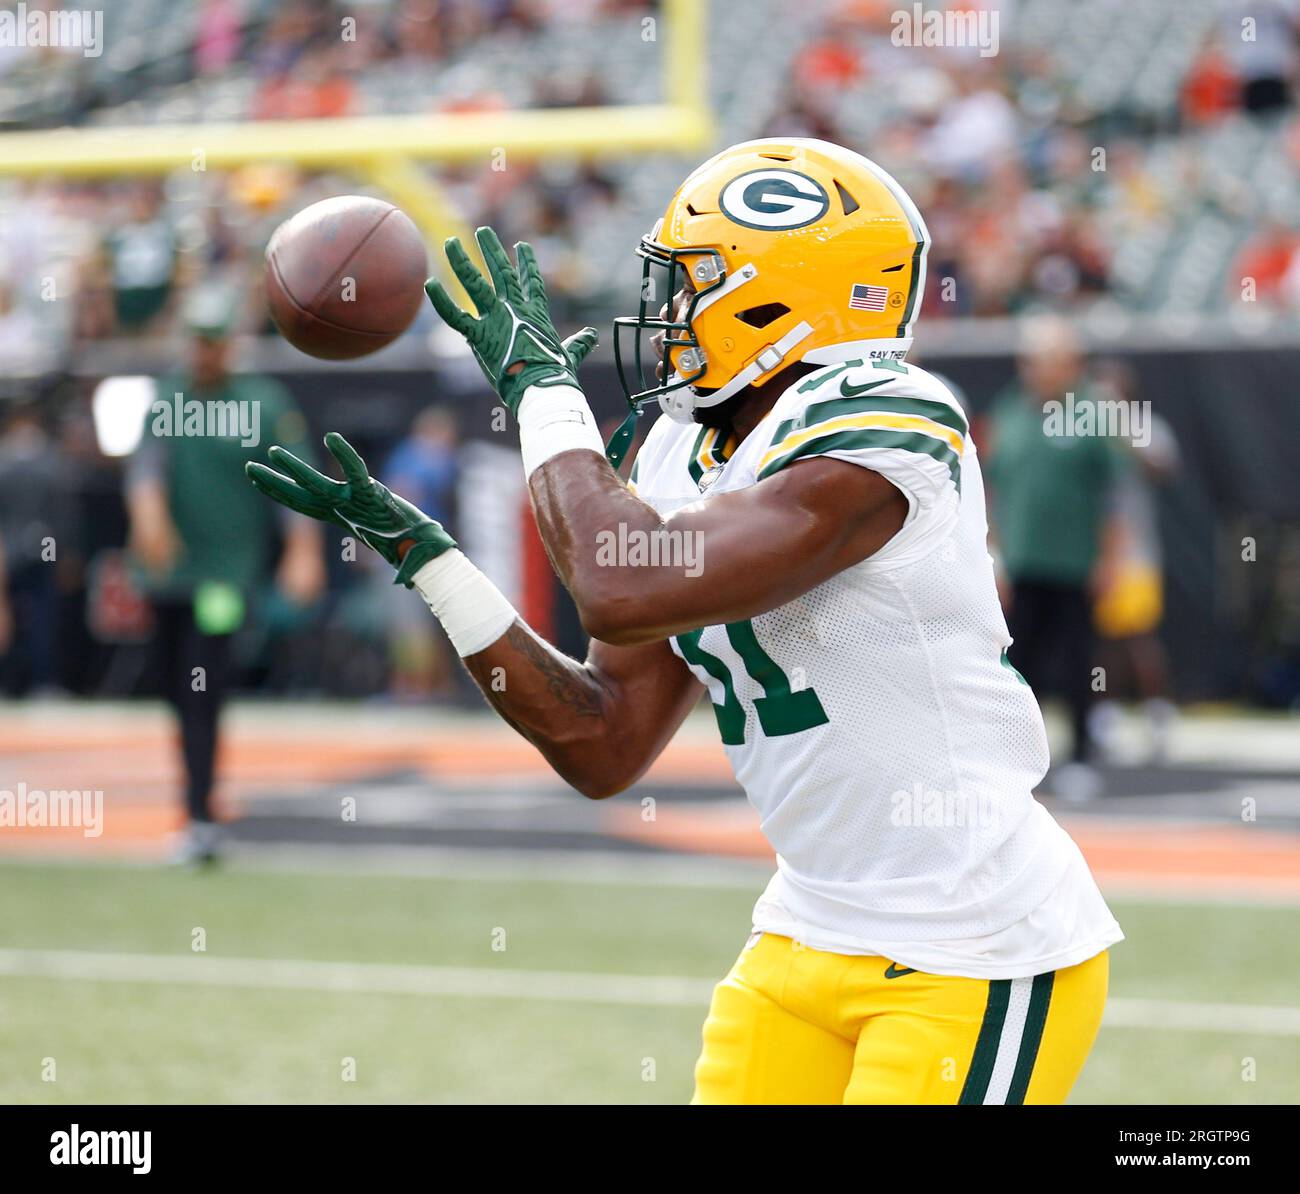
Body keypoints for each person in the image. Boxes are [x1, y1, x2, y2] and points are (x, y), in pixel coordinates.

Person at [249, 139, 1122, 1104]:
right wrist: (437, 568)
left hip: (971, 944)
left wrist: (542, 393)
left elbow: (621, 582)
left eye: (691, 286)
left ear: (778, 302)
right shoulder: (674, 450)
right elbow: (603, 740)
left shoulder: (892, 424)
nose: (665, 313)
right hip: (806, 927)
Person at [127, 286, 324, 863]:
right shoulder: (166, 399)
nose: (202, 352)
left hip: (224, 576)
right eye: (195, 340)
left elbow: (297, 481)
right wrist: (148, 517)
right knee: (171, 683)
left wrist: (303, 551)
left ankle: (201, 816)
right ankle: (198, 802)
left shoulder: (262, 402)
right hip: (166, 575)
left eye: (212, 341)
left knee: (202, 687)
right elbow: (145, 472)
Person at [984, 315, 1124, 798]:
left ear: (1070, 363)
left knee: (1078, 661)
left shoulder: (1091, 410)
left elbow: (1114, 495)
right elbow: (994, 487)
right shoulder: (1010, 409)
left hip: (1074, 560)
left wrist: (1111, 560)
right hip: (1022, 559)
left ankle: (1082, 754)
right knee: (1020, 662)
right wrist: (994, 554)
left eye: (1045, 360)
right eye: (1029, 360)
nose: (1034, 369)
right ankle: (1022, 756)